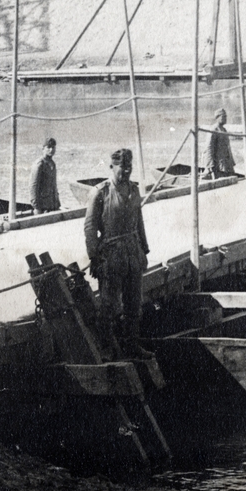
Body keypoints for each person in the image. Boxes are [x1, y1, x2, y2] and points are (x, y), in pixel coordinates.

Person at [85, 149, 151, 358]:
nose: (126, 171)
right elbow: (90, 227)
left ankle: (132, 346)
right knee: (109, 306)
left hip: (133, 254)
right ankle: (107, 349)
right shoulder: (100, 192)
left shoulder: (134, 190)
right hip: (112, 257)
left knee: (134, 305)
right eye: (122, 167)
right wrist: (94, 257)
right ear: (112, 167)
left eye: (129, 167)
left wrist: (144, 250)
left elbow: (139, 222)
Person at [31, 137, 61, 214]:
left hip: (53, 205)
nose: (51, 150)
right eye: (48, 147)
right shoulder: (39, 164)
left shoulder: (52, 164)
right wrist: (36, 207)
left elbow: (54, 185)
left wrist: (57, 202)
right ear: (43, 149)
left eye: (53, 147)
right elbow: (33, 186)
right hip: (42, 207)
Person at [205, 108, 236, 179]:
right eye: (223, 116)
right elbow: (209, 147)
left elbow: (228, 148)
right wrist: (210, 164)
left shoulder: (224, 130)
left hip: (227, 164)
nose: (225, 118)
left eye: (226, 116)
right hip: (219, 165)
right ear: (217, 117)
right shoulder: (214, 129)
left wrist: (232, 162)